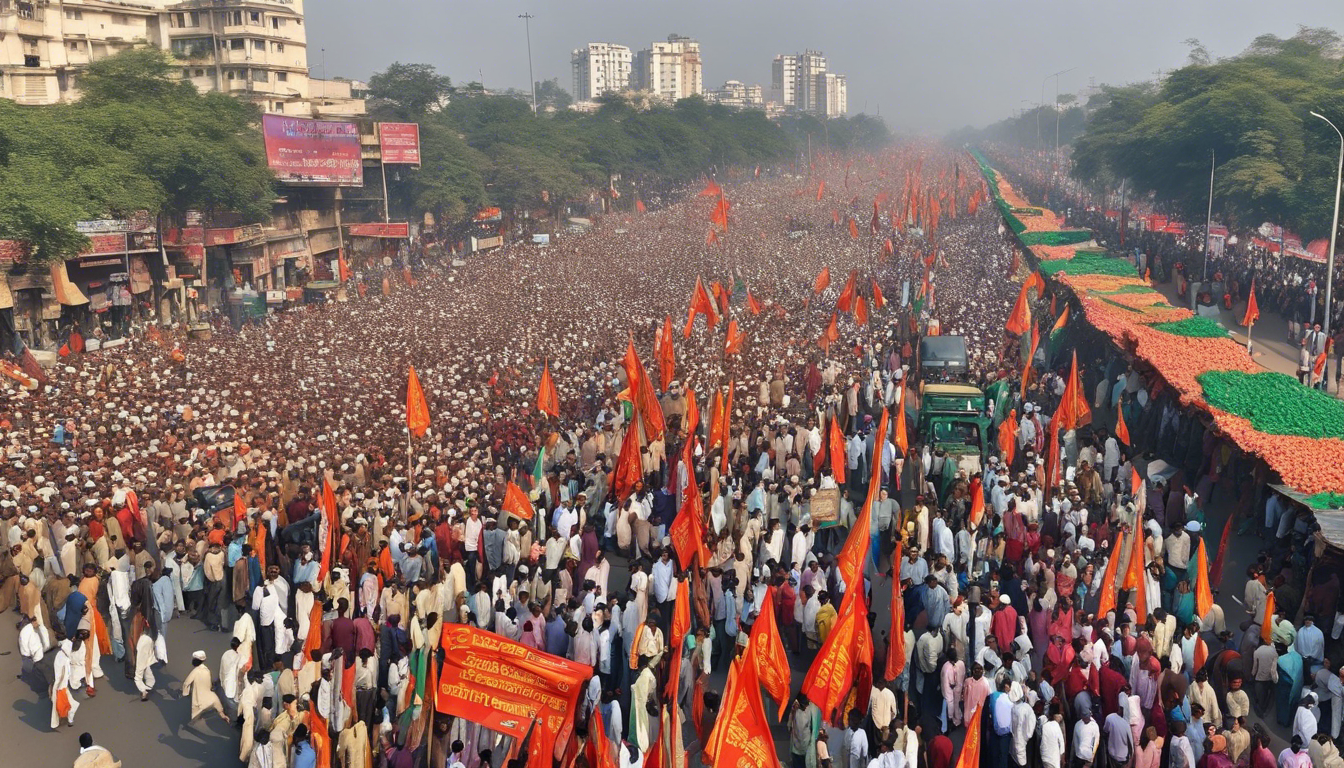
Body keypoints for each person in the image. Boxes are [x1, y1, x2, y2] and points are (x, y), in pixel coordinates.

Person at [181, 649, 228, 726]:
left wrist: (185, 694)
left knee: (194, 719)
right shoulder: (207, 671)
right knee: (219, 707)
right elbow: (209, 686)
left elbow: (186, 683)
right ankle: (223, 716)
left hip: (199, 701)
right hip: (211, 699)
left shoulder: (196, 671)